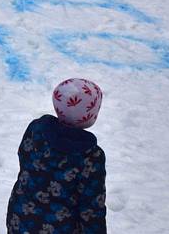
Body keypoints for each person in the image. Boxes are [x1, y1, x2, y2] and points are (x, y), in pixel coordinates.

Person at [7, 78, 106, 234]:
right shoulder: (91, 156)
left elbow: (24, 156)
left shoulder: (36, 128)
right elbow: (91, 207)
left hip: (20, 218)